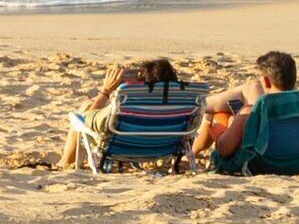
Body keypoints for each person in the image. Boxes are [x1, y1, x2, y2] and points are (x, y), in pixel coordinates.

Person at [204, 50, 299, 175]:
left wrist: (219, 133)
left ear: (266, 81)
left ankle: (191, 153)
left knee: (221, 118)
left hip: (260, 165)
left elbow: (224, 149)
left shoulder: (260, 107)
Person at [57, 57, 202, 169]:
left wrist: (106, 91)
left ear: (141, 83)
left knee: (84, 110)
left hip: (124, 146)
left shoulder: (125, 109)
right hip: (165, 148)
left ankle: (65, 162)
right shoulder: (184, 107)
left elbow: (87, 119)